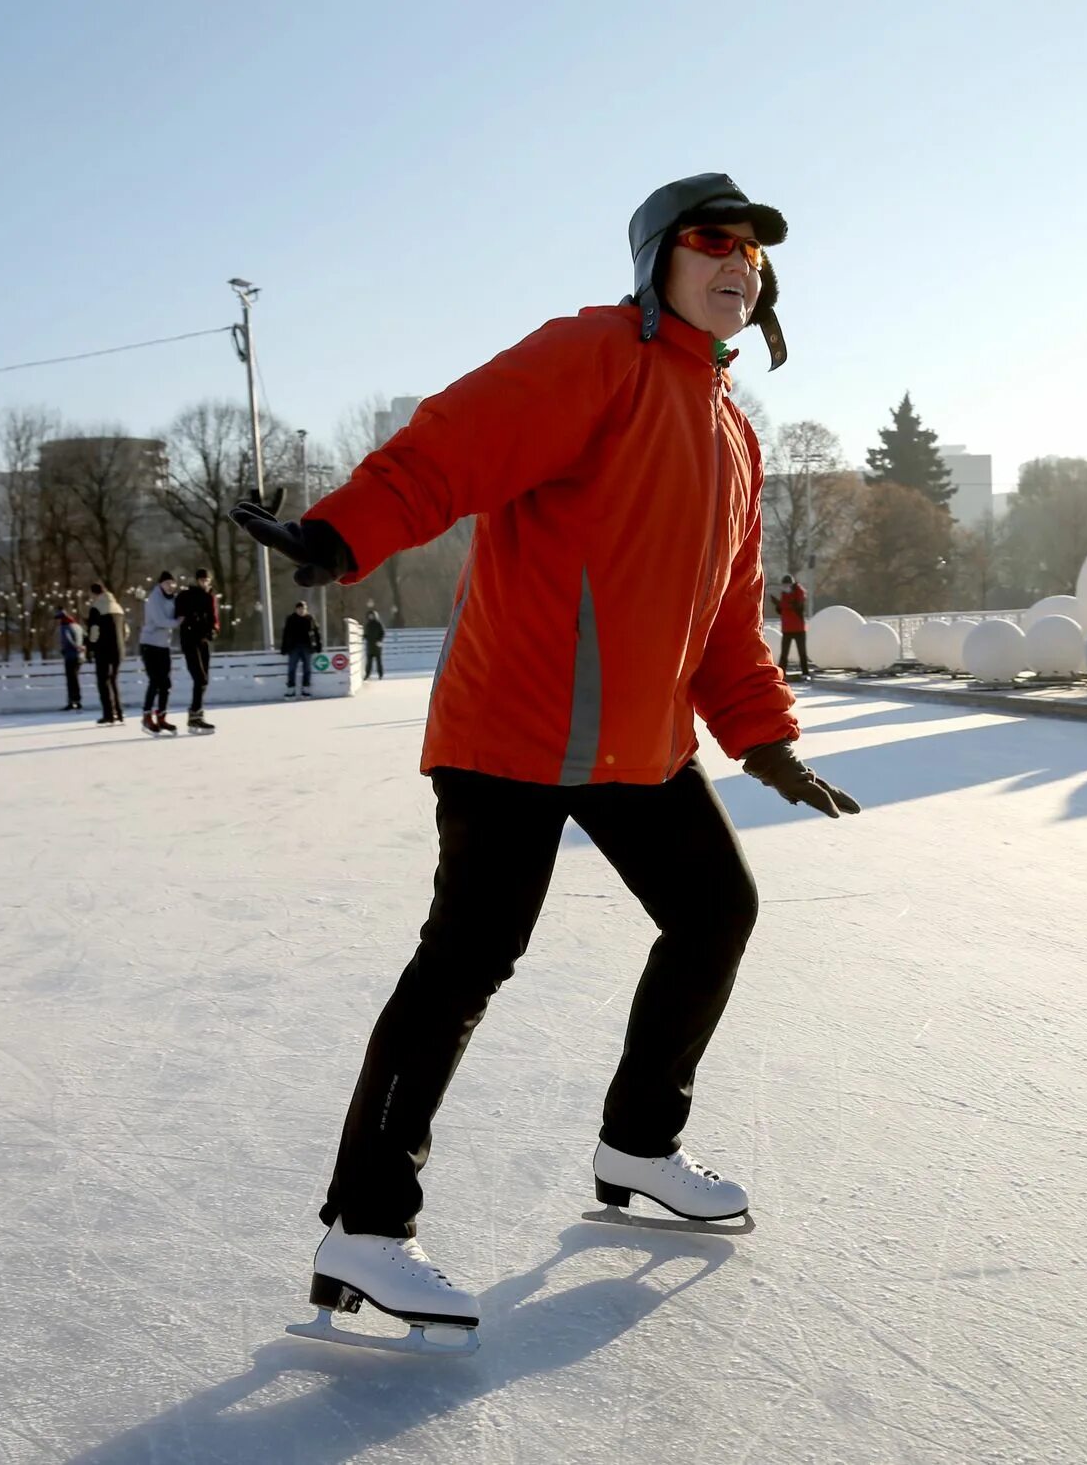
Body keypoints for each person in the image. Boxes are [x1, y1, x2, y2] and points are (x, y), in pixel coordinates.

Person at [233, 173, 859, 1350]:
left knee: (716, 911)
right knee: (467, 962)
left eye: (754, 255)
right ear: (657, 262)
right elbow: (454, 447)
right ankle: (364, 1230)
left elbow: (721, 615)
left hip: (638, 744)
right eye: (712, 242)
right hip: (516, 728)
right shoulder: (592, 357)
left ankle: (638, 1144)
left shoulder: (730, 430)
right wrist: (339, 532)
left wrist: (763, 737)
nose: (738, 265)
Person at [175, 567, 221, 733]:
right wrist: (190, 618)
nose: (204, 583)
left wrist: (214, 630)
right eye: (201, 580)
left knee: (204, 679)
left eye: (206, 580)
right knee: (200, 678)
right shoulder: (188, 595)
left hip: (203, 640)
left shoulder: (211, 597)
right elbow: (179, 611)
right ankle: (195, 716)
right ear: (197, 581)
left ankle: (196, 716)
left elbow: (214, 618)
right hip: (190, 640)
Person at [137, 571, 181, 735]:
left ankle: (161, 716)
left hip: (163, 646)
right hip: (149, 645)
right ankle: (147, 716)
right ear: (160, 584)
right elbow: (160, 621)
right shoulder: (154, 599)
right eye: (167, 583)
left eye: (172, 583)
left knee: (166, 684)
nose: (170, 586)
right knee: (155, 681)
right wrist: (178, 621)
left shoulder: (173, 599)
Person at [84, 582, 127, 725]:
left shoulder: (96, 608)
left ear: (94, 593)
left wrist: (90, 647)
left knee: (103, 682)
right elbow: (126, 631)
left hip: (103, 650)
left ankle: (109, 714)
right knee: (113, 680)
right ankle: (119, 712)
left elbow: (94, 631)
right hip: (118, 650)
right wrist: (119, 642)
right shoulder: (118, 607)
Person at [280, 600, 322, 699]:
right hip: (294, 647)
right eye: (299, 609)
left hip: (307, 647)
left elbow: (316, 633)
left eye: (303, 609)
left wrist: (318, 645)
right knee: (292, 668)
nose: (301, 611)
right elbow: (286, 633)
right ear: (296, 609)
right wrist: (284, 647)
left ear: (306, 609)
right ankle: (291, 690)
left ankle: (305, 689)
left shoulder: (310, 618)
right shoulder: (291, 619)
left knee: (307, 669)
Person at [774, 574, 810, 678]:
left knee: (802, 652)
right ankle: (782, 673)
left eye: (787, 585)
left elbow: (797, 606)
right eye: (784, 585)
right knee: (784, 654)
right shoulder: (784, 594)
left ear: (792, 584)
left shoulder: (799, 592)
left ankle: (805, 673)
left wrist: (781, 605)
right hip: (787, 629)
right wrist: (778, 606)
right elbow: (783, 611)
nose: (785, 587)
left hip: (798, 628)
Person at [56, 610, 85, 711]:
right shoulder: (77, 626)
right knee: (75, 679)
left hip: (70, 656)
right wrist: (82, 648)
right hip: (80, 657)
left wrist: (69, 649)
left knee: (71, 680)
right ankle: (77, 701)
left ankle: (72, 701)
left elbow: (68, 640)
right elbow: (85, 637)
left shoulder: (65, 627)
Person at [363, 605, 386, 680]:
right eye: (370, 615)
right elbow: (366, 634)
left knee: (378, 661)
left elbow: (382, 632)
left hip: (377, 645)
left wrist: (379, 640)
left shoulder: (378, 624)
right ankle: (367, 674)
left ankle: (380, 674)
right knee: (369, 662)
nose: (371, 617)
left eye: (372, 615)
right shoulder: (368, 624)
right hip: (370, 646)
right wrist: (364, 637)